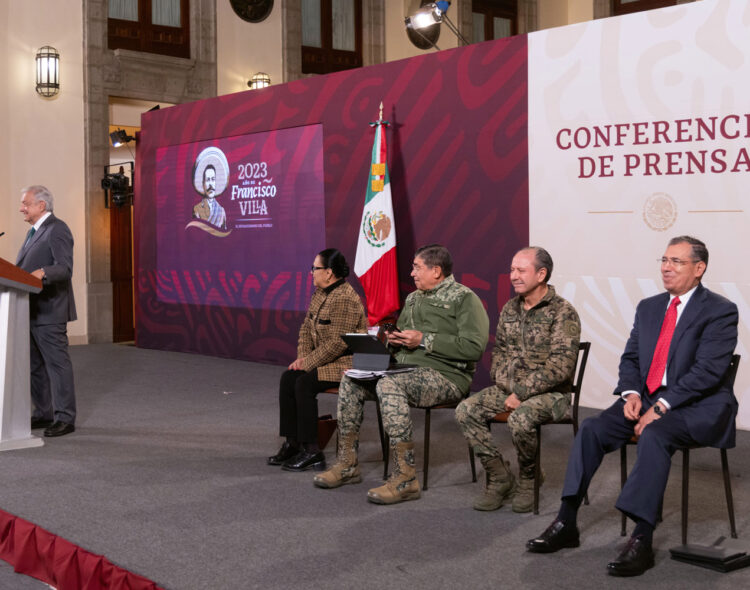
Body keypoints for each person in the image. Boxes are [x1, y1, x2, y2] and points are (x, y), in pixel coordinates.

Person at [527, 236, 738, 577]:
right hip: (649, 399)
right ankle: (566, 521)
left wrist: (663, 405)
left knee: (654, 434)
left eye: (677, 262)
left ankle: (642, 537)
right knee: (593, 428)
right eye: (664, 260)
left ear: (699, 269)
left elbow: (708, 372)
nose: (666, 268)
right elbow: (631, 359)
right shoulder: (650, 307)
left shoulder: (720, 310)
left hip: (699, 406)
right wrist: (631, 394)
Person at [313, 244, 489, 504]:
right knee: (351, 379)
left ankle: (405, 477)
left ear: (436, 271)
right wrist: (392, 340)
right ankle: (347, 464)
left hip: (446, 376)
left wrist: (424, 339)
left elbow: (474, 347)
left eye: (417, 268)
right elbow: (404, 336)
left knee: (389, 385)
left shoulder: (464, 299)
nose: (412, 273)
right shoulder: (414, 298)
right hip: (405, 369)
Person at [455, 247, 580, 513]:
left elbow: (561, 366)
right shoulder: (510, 308)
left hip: (552, 395)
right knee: (466, 410)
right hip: (509, 389)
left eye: (521, 270)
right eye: (512, 269)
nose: (513, 276)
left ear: (541, 274)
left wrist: (521, 392)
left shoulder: (563, 312)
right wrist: (504, 382)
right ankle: (500, 476)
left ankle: (529, 478)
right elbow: (499, 351)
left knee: (521, 418)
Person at [267, 248, 367, 472]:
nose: (311, 272)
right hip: (323, 358)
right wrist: (303, 357)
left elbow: (338, 343)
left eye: (315, 268)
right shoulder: (320, 292)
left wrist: (308, 363)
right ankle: (293, 442)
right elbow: (306, 328)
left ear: (329, 273)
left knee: (304, 382)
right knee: (288, 378)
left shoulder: (344, 298)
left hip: (346, 361)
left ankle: (312, 451)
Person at [16, 185, 77, 437]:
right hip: (30, 309)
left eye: (26, 203)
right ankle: (43, 413)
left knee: (56, 365)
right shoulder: (33, 232)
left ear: (41, 205)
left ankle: (65, 418)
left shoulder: (57, 229)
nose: (22, 208)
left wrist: (42, 272)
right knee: (35, 366)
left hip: (50, 311)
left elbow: (64, 268)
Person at [192, 164, 227, 229]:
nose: (211, 184)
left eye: (213, 179)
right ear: (203, 184)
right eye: (208, 180)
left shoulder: (221, 211)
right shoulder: (197, 209)